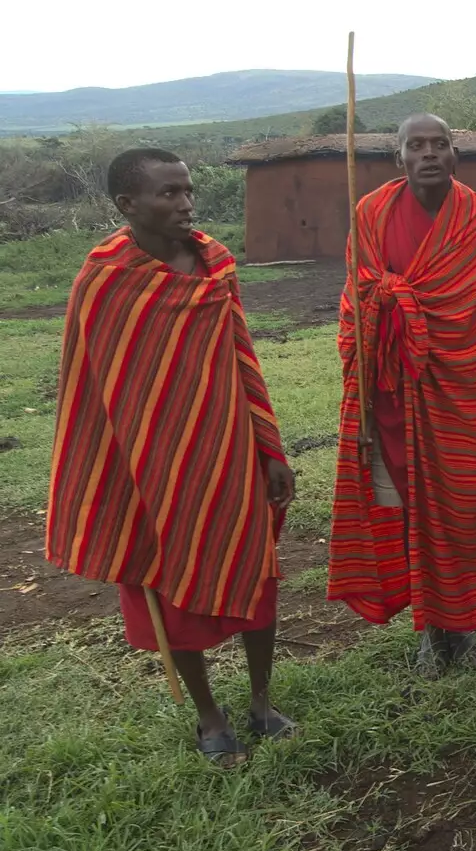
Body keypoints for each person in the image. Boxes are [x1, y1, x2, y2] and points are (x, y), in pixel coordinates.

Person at [45, 148, 296, 765]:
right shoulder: (104, 279)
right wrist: (116, 474)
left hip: (230, 448)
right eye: (168, 194)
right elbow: (92, 392)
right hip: (148, 463)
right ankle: (210, 717)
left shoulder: (216, 264)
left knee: (256, 572)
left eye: (187, 191)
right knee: (170, 583)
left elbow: (242, 354)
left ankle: (262, 701)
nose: (186, 204)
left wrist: (269, 447)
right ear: (127, 205)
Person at [328, 114, 476, 676]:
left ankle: (464, 627)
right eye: (415, 146)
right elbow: (357, 300)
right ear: (398, 158)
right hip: (395, 391)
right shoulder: (369, 214)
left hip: (465, 390)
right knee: (408, 509)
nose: (428, 154)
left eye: (439, 144)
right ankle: (429, 629)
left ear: (454, 156)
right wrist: (386, 306)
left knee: (462, 506)